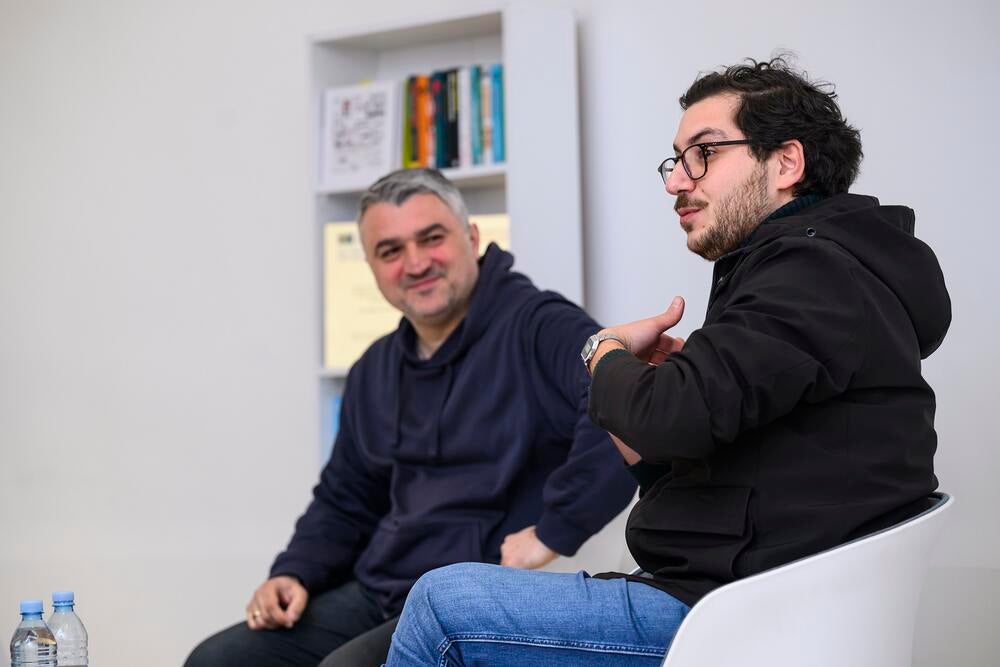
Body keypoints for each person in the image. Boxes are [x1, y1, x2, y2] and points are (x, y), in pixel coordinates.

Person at [385, 55, 952, 666]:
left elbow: (670, 417)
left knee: (443, 604)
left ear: (786, 162)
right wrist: (642, 419)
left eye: (703, 154)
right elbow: (707, 457)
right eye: (676, 161)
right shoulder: (826, 271)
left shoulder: (810, 272)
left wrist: (601, 353)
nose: (676, 182)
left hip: (739, 619)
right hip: (746, 599)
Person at [183, 168, 637, 667]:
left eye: (431, 238)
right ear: (373, 267)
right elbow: (345, 498)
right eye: (391, 250)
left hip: (475, 603)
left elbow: (620, 406)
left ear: (472, 237)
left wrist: (554, 530)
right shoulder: (373, 369)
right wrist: (295, 571)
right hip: (383, 589)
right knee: (219, 660)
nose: (416, 263)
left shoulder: (540, 326)